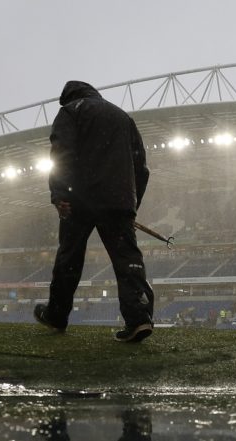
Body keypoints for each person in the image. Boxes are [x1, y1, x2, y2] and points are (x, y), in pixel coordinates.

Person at [34, 80, 155, 342]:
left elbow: (61, 154)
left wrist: (59, 193)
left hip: (80, 199)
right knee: (128, 260)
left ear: (68, 98)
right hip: (119, 200)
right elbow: (141, 166)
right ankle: (139, 318)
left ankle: (56, 315)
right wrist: (131, 204)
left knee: (69, 258)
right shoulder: (122, 117)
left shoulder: (70, 111)